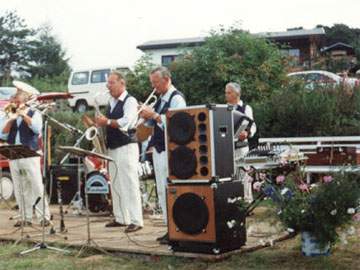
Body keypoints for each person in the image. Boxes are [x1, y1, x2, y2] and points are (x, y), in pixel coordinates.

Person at [139, 66, 186, 244]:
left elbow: (179, 124)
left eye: (156, 83)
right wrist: (145, 114)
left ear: (166, 80)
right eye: (152, 83)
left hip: (171, 152)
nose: (154, 87)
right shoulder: (160, 99)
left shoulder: (177, 99)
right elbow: (151, 124)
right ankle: (169, 228)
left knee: (172, 190)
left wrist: (156, 116)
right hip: (159, 151)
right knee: (161, 191)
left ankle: (177, 228)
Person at [95, 70, 143, 233]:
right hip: (113, 147)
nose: (108, 86)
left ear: (122, 83)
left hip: (127, 146)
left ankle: (137, 220)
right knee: (115, 183)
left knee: (129, 183)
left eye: (111, 83)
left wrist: (106, 121)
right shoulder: (112, 101)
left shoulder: (130, 101)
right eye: (107, 83)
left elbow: (126, 122)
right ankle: (121, 217)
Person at [0, 81, 51, 227]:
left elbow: (36, 129)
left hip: (30, 153)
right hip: (13, 153)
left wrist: (23, 115)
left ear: (25, 98)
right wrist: (11, 119)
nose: (14, 99)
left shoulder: (35, 112)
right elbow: (2, 135)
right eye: (14, 97)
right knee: (20, 186)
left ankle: (44, 217)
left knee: (36, 185)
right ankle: (25, 217)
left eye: (17, 96)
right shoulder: (8, 113)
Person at [225, 82, 257, 202]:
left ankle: (247, 201)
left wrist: (247, 134)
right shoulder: (224, 109)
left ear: (236, 94)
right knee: (230, 175)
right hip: (227, 147)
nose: (226, 95)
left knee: (244, 174)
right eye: (226, 92)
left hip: (242, 147)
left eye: (229, 92)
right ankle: (233, 201)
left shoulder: (246, 108)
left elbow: (252, 125)